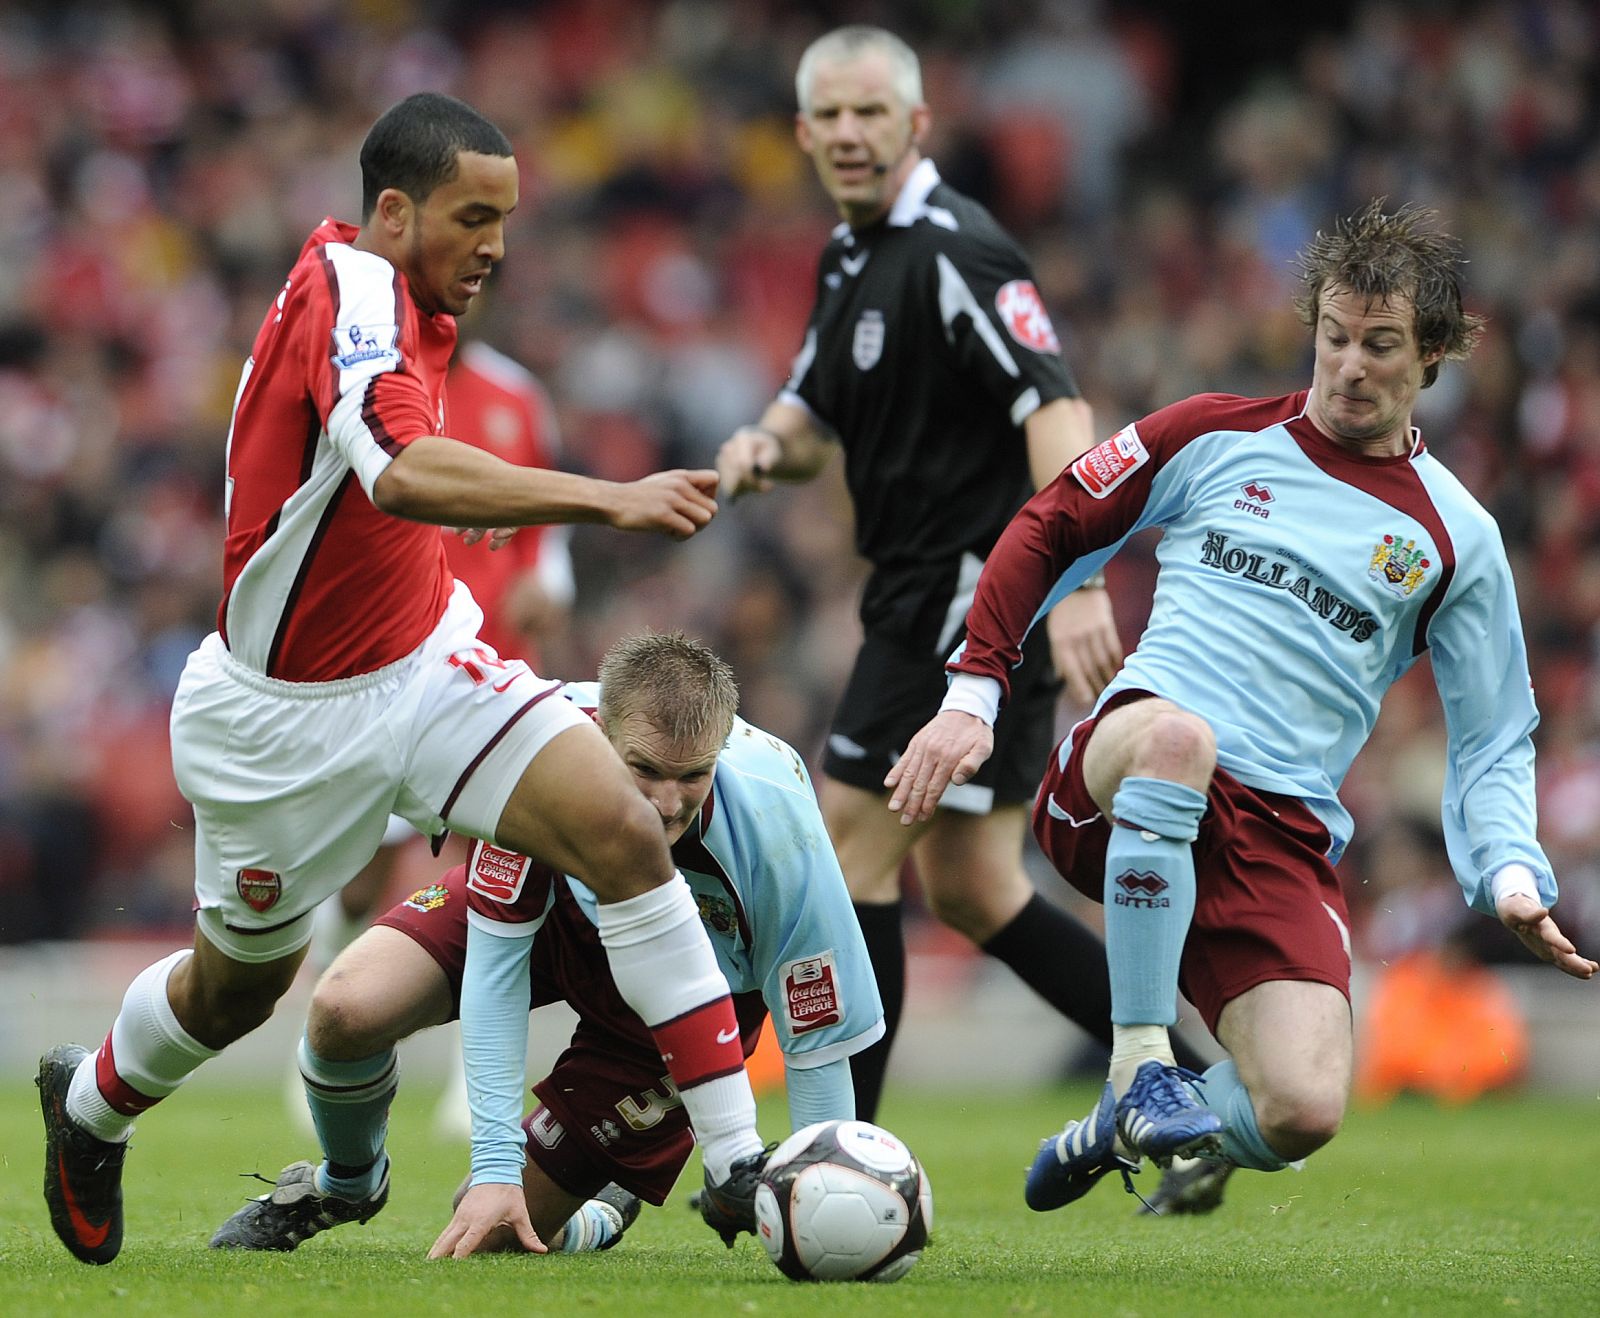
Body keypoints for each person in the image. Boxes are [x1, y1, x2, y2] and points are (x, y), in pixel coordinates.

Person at [36, 92, 765, 1267]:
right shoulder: (356, 288)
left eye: (507, 220)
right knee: (237, 992)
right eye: (474, 217)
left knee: (623, 832)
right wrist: (605, 494)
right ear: (392, 209)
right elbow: (402, 472)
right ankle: (91, 1109)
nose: (496, 245)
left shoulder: (408, 293)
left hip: (427, 660)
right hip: (281, 720)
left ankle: (740, 1166)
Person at [886, 201, 1598, 1214]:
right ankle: (1139, 1061)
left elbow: (1491, 734)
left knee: (1304, 1105)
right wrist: (973, 694)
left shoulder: (1457, 538)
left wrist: (1511, 870)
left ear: (1431, 354)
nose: (1349, 364)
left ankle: (1122, 1122)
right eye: (1334, 337)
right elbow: (1048, 526)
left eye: (1379, 345)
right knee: (1179, 734)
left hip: (1279, 824)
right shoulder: (1213, 434)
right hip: (1129, 763)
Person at [715, 23, 1165, 1126]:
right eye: (834, 115)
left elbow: (1055, 407)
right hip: (912, 593)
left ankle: (836, 1146)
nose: (854, 133)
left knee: (843, 854)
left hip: (969, 598)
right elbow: (813, 414)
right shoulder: (849, 256)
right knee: (972, 885)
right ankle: (1186, 1080)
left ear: (916, 124)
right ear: (804, 134)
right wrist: (760, 446)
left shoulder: (962, 251)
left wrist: (1081, 582)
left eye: (876, 112)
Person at [212, 631, 882, 1256]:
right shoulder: (532, 751)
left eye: (693, 776)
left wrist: (821, 1194)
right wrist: (493, 1166)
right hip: (556, 916)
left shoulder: (779, 827)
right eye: (645, 770)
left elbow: (817, 1039)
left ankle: (600, 1214)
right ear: (603, 733)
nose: (668, 804)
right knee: (344, 1008)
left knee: (502, 1235)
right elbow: (496, 967)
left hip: (684, 1007)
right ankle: (346, 1182)